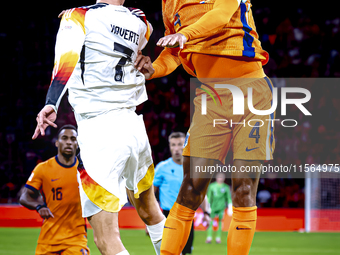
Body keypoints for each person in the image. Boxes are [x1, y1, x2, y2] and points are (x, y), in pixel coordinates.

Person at [138, 0, 276, 254]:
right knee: (191, 188)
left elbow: (221, 15)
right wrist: (153, 69)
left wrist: (185, 34)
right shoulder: (169, 4)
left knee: (244, 188)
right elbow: (174, 51)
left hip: (251, 92)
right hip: (211, 98)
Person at [32, 1, 165, 255]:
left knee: (105, 238)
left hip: (100, 129)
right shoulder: (139, 22)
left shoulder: (79, 16)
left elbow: (65, 62)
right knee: (151, 212)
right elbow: (144, 27)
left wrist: (51, 103)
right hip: (134, 126)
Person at [20, 125, 90, 255]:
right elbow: (24, 197)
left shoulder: (86, 171)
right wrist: (39, 206)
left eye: (73, 139)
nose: (69, 142)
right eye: (64, 138)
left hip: (76, 239)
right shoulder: (43, 169)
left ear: (78, 143)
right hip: (48, 239)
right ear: (57, 143)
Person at [206, 173, 232, 244]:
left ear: (224, 179)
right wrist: (208, 206)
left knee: (220, 222)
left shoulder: (226, 187)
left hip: (221, 207)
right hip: (213, 207)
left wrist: (230, 206)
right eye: (219, 177)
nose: (220, 179)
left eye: (222, 177)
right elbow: (209, 197)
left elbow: (228, 198)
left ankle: (218, 238)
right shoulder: (212, 186)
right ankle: (209, 237)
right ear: (216, 178)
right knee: (210, 222)